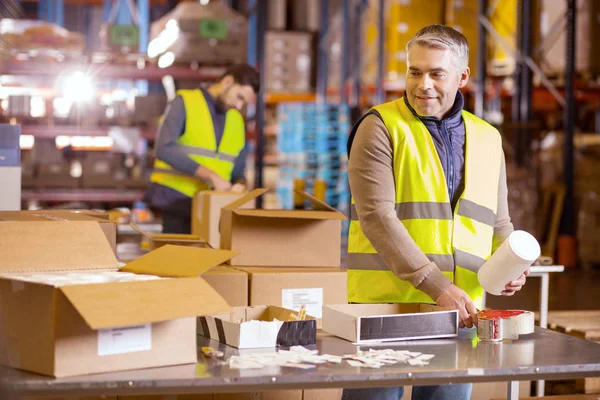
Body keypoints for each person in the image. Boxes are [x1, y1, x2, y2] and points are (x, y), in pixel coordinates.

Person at [343, 25, 530, 400]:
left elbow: (498, 222)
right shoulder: (379, 127)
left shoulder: (487, 137)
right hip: (388, 306)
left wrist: (510, 265)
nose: (423, 84)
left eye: (436, 73)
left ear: (462, 77)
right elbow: (377, 216)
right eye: (415, 71)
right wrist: (436, 285)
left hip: (460, 311)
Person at [145, 64, 259, 234]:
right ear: (228, 81)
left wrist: (239, 185)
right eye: (239, 97)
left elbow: (237, 171)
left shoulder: (236, 120)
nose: (239, 105)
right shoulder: (185, 102)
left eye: (244, 102)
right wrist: (211, 176)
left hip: (215, 209)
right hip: (177, 203)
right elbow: (163, 149)